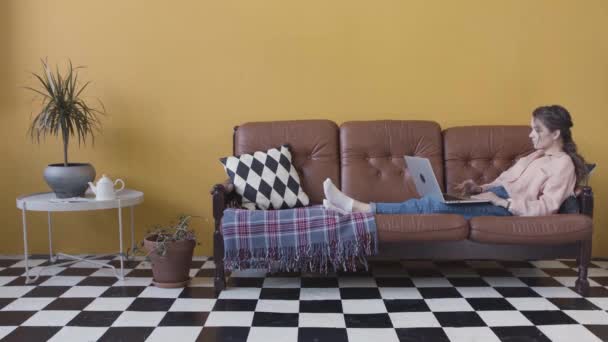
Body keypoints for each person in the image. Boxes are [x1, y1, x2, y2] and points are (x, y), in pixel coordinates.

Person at [323, 105, 588, 219]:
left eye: (537, 130)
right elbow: (503, 182)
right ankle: (352, 209)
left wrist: (502, 202)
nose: (531, 135)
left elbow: (548, 207)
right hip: (493, 197)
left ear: (556, 133)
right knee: (432, 200)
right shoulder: (536, 155)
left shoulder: (562, 164)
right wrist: (481, 189)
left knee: (431, 203)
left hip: (506, 209)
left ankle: (356, 208)